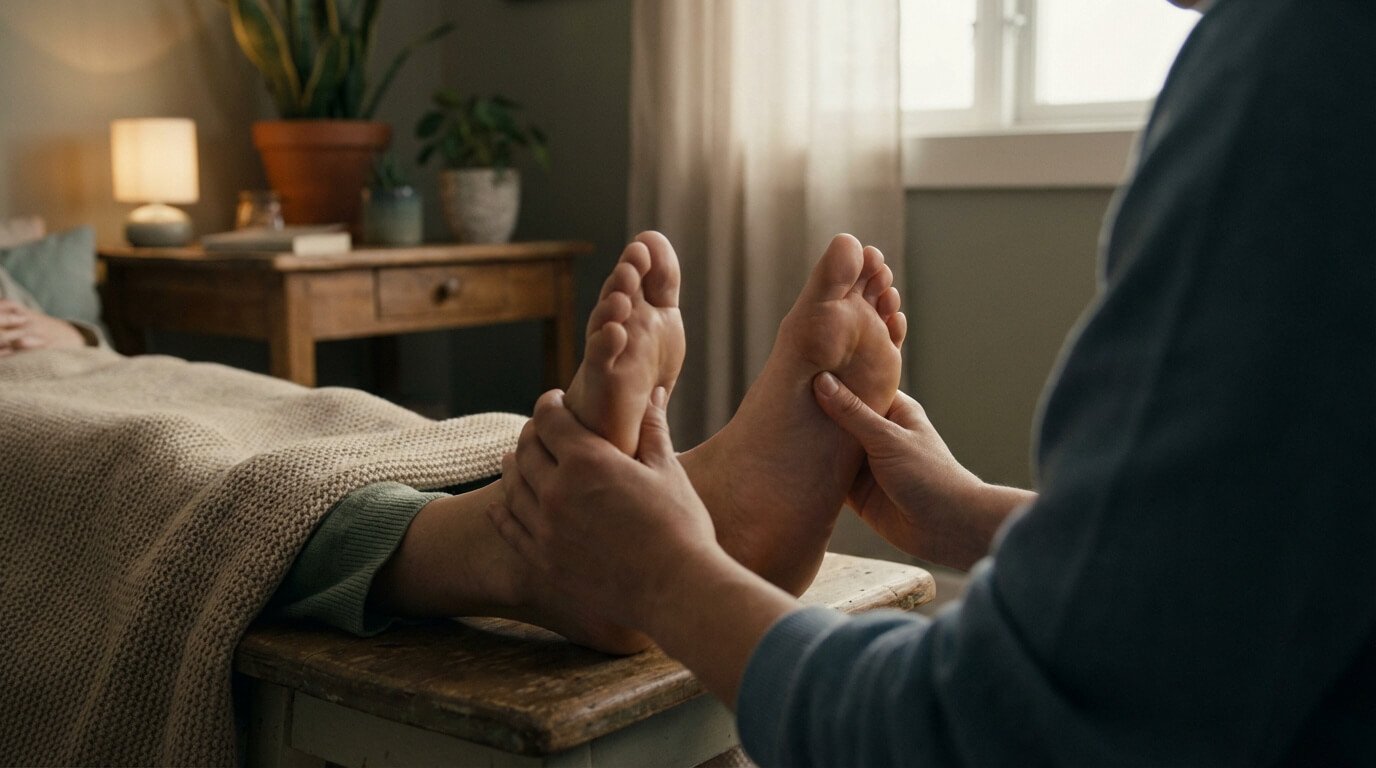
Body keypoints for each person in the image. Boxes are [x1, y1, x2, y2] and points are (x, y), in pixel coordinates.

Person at [489, 0, 1376, 764]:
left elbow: (994, 738)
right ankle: (694, 511)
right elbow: (1244, 574)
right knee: (377, 498)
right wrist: (974, 511)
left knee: (427, 508)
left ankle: (649, 539)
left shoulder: (1306, 60)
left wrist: (663, 580)